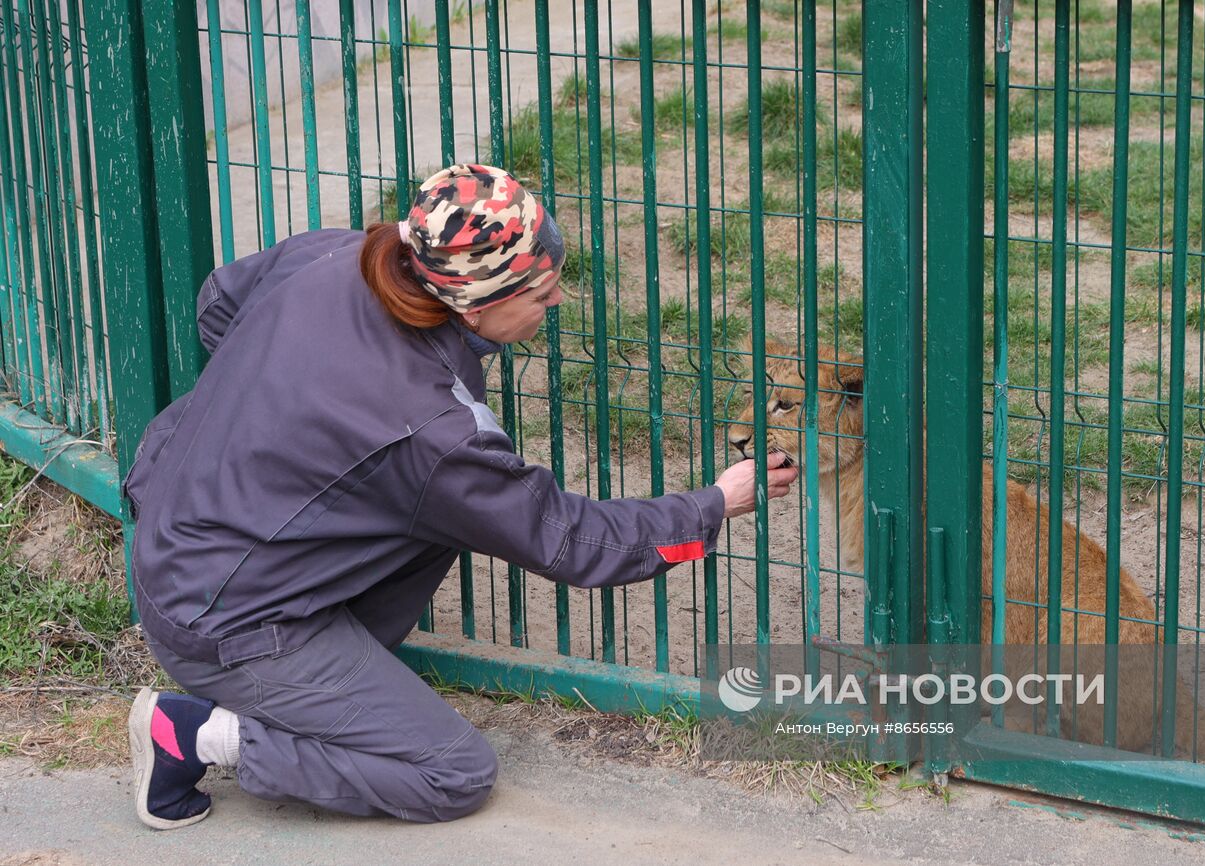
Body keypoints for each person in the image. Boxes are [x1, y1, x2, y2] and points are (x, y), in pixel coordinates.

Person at [123, 164, 798, 829]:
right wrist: (713, 504)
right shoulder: (432, 434)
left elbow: (219, 301)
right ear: (478, 303)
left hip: (179, 537)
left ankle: (304, 689)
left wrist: (273, 412)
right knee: (452, 773)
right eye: (541, 291)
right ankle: (193, 736)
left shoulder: (336, 255)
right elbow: (570, 543)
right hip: (218, 621)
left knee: (429, 519)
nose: (557, 301)